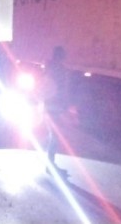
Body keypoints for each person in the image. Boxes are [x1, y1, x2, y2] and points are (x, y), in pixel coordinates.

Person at [43, 46, 71, 175]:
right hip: (55, 107)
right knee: (55, 136)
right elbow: (61, 90)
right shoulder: (59, 70)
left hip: (49, 106)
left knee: (53, 135)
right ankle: (50, 165)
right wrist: (64, 105)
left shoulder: (49, 68)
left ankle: (50, 163)